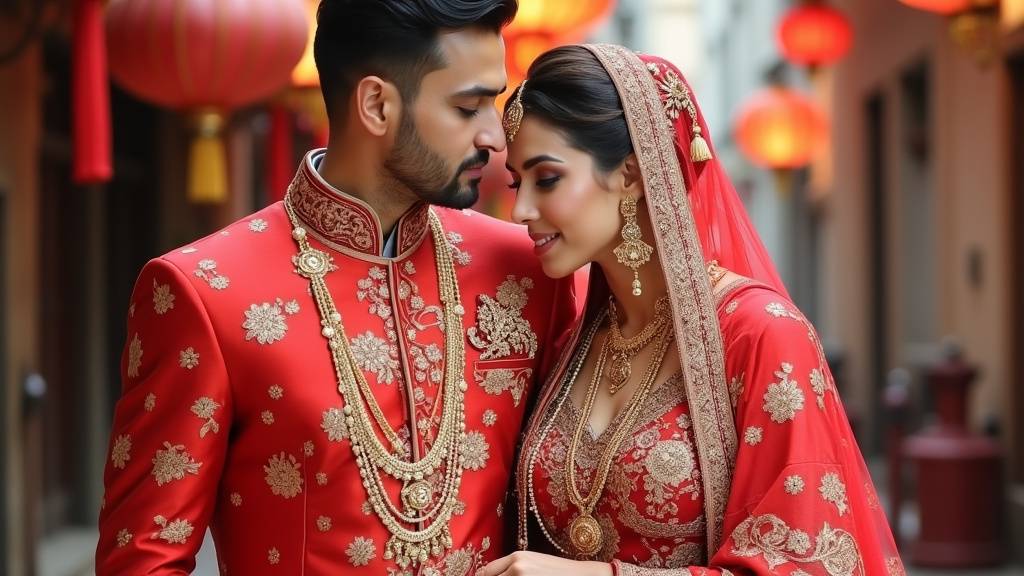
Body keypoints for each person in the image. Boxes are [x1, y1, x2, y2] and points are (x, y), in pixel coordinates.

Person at [95, 1, 578, 574]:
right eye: (468, 106)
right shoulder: (206, 293)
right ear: (376, 104)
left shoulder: (525, 272)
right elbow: (143, 559)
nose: (494, 137)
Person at [479, 44, 902, 576]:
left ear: (631, 174)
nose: (520, 210)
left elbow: (806, 563)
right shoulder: (575, 340)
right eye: (517, 183)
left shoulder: (761, 336)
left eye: (547, 179)